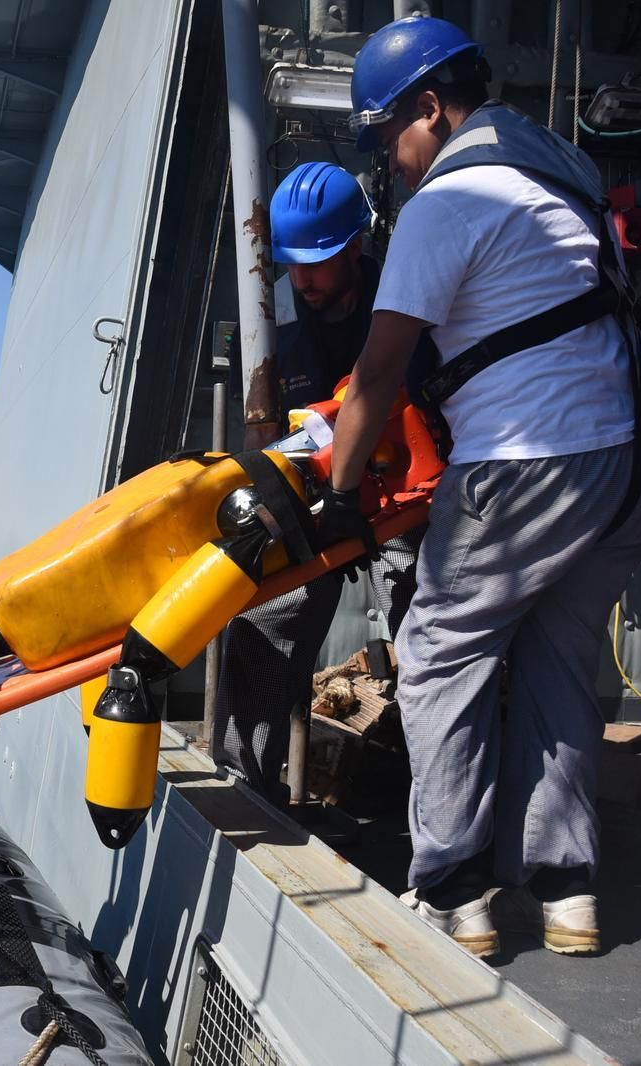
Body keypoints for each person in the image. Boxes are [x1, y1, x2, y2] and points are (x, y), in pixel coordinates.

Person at [327, 16, 641, 957]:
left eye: (387, 134)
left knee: (439, 652)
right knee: (559, 663)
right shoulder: (561, 186)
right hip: (636, 460)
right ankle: (566, 895)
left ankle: (453, 891)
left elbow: (379, 371)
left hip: (532, 460)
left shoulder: (450, 201)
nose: (389, 161)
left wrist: (340, 490)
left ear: (431, 111)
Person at [216, 161, 424, 806]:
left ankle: (442, 817)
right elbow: (263, 436)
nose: (301, 278)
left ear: (355, 248)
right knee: (262, 622)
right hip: (309, 496)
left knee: (430, 645)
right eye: (291, 262)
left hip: (403, 500)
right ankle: (244, 788)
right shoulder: (270, 316)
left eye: (317, 262)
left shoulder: (406, 293)